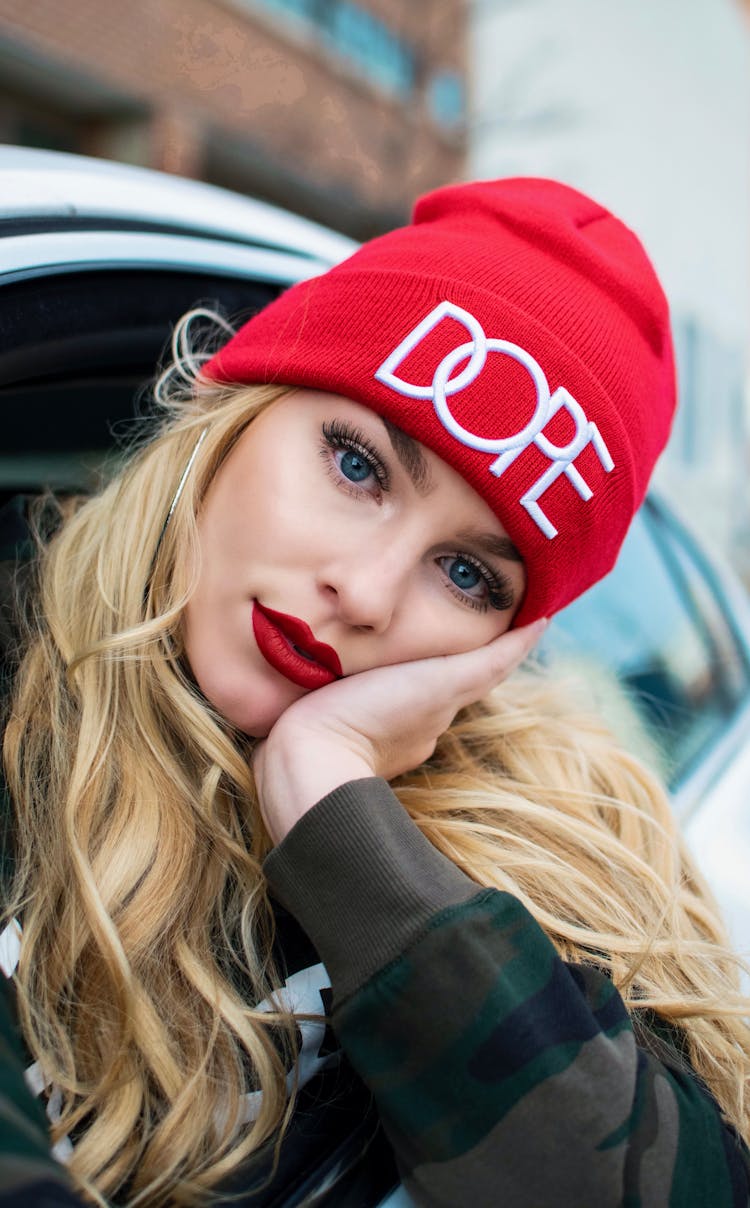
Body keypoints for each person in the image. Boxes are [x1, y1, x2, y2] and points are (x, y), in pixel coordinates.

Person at [1, 177, 749, 1208]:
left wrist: (333, 812)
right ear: (235, 407)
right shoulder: (19, 683)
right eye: (356, 463)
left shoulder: (552, 871)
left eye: (469, 574)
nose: (363, 588)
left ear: (505, 643)